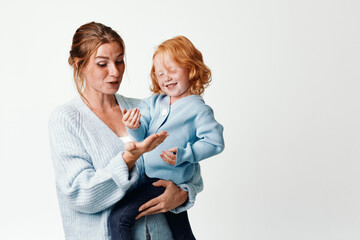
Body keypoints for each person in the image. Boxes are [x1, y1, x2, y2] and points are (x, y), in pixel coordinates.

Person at [48, 22, 203, 240]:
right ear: (79, 65)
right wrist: (127, 159)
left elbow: (187, 162)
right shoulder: (67, 119)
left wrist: (183, 193)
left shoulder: (144, 108)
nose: (115, 71)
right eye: (102, 64)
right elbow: (80, 194)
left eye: (119, 61)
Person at [108, 36, 225, 240]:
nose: (166, 78)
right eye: (160, 73)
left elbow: (215, 142)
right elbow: (142, 136)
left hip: (162, 182)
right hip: (146, 177)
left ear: (191, 68)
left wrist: (186, 154)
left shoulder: (198, 109)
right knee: (181, 232)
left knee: (119, 219)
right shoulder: (153, 103)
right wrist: (133, 126)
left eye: (172, 70)